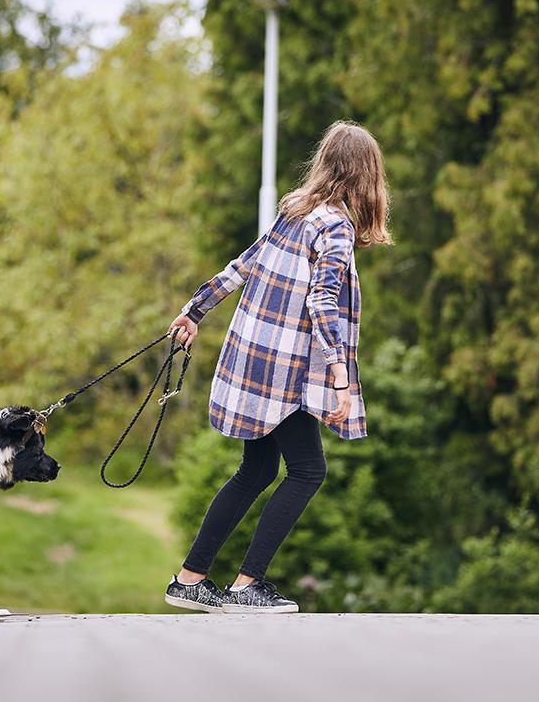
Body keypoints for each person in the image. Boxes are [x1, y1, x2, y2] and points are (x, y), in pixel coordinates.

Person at [164, 121, 393, 614]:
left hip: (255, 359)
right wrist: (340, 377)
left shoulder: (295, 210)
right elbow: (323, 301)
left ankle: (189, 579)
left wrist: (195, 310)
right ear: (366, 176)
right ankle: (247, 586)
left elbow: (243, 265)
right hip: (286, 370)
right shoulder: (334, 226)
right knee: (308, 471)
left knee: (258, 468)